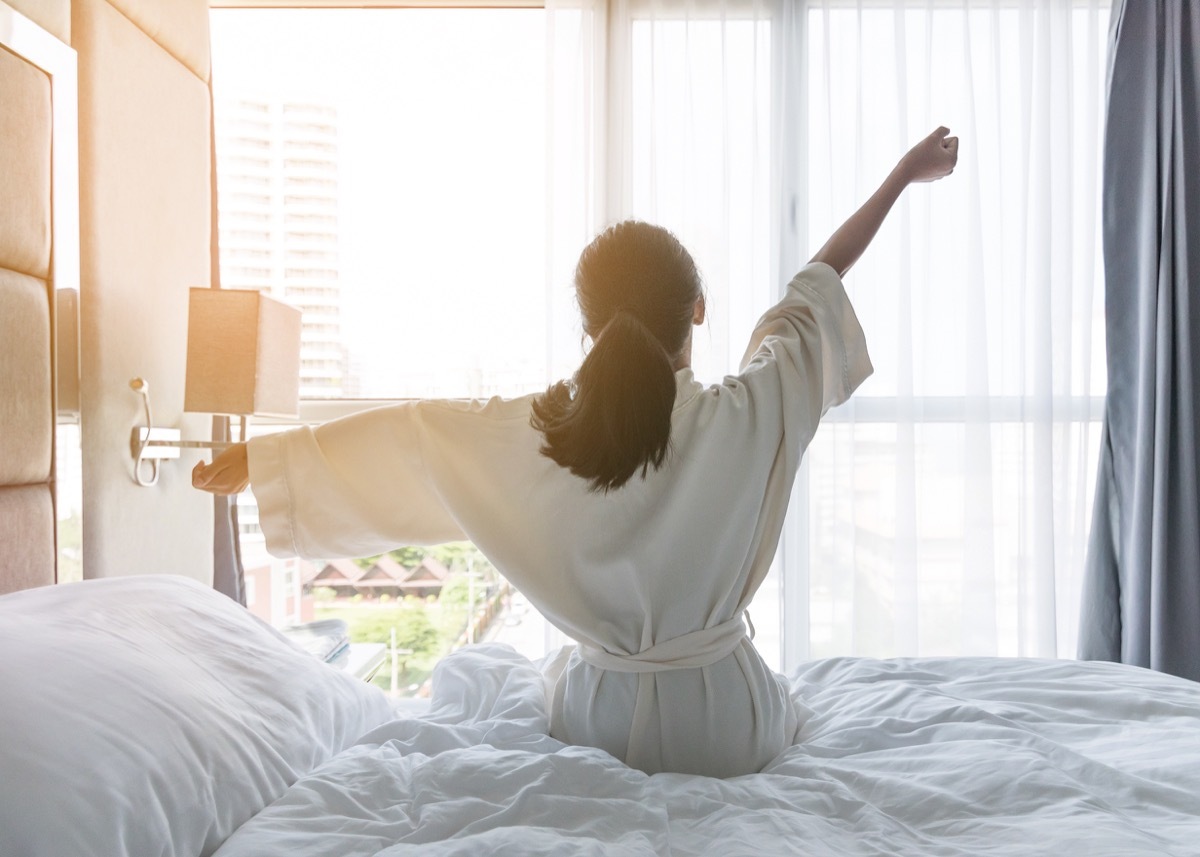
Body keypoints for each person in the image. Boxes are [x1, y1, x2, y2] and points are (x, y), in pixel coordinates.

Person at [194, 126, 959, 778]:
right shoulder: (752, 411)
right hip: (730, 727)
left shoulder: (539, 431)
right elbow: (813, 289)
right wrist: (900, 175)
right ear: (698, 307)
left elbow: (414, 434)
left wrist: (270, 461)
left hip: (600, 719)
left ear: (588, 327)